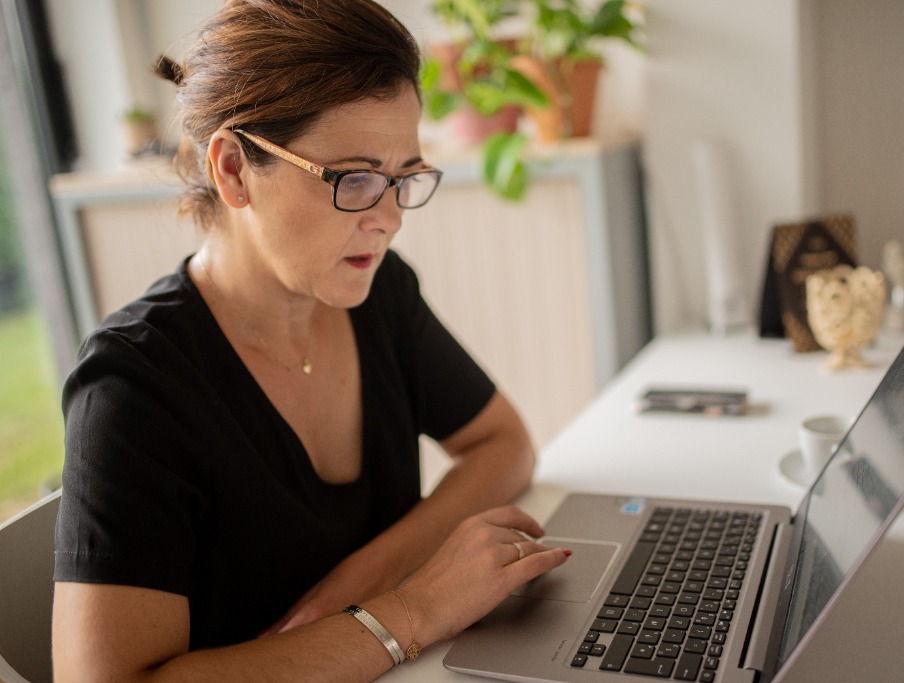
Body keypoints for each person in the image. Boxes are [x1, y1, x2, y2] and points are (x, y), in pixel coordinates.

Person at [51, 0, 570, 679]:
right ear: (233, 170)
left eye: (403, 179)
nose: (390, 219)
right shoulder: (133, 388)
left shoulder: (380, 294)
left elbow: (503, 443)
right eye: (355, 179)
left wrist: (360, 583)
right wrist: (412, 609)